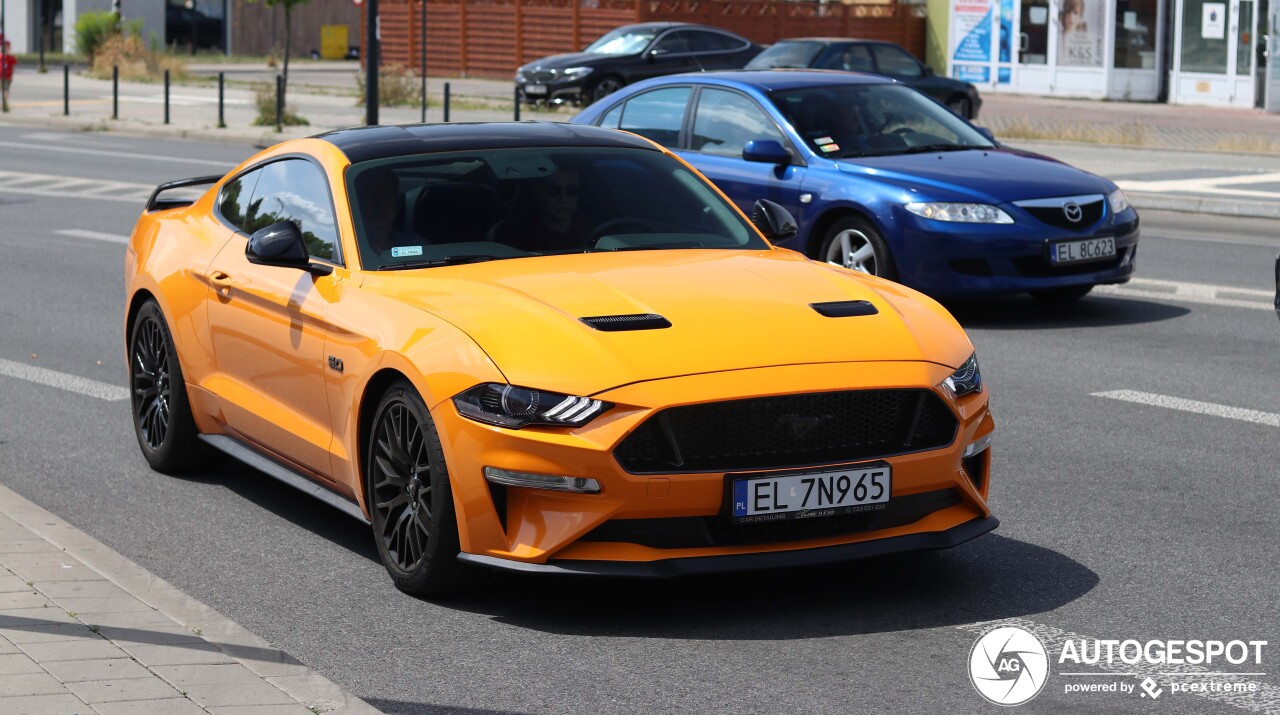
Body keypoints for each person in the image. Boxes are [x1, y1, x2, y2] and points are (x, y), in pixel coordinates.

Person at [496, 164, 584, 252]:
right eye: (554, 191)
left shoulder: (590, 230)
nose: (563, 199)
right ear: (537, 192)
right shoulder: (517, 237)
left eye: (571, 190)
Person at [1, 36, 16, 112]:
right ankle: (4, 103)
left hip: (7, 76)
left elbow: (13, 67)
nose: (4, 48)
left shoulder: (11, 57)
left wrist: (11, 75)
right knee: (4, 90)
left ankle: (5, 103)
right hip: (0, 76)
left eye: (6, 47)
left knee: (6, 90)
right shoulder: (0, 56)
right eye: (3, 47)